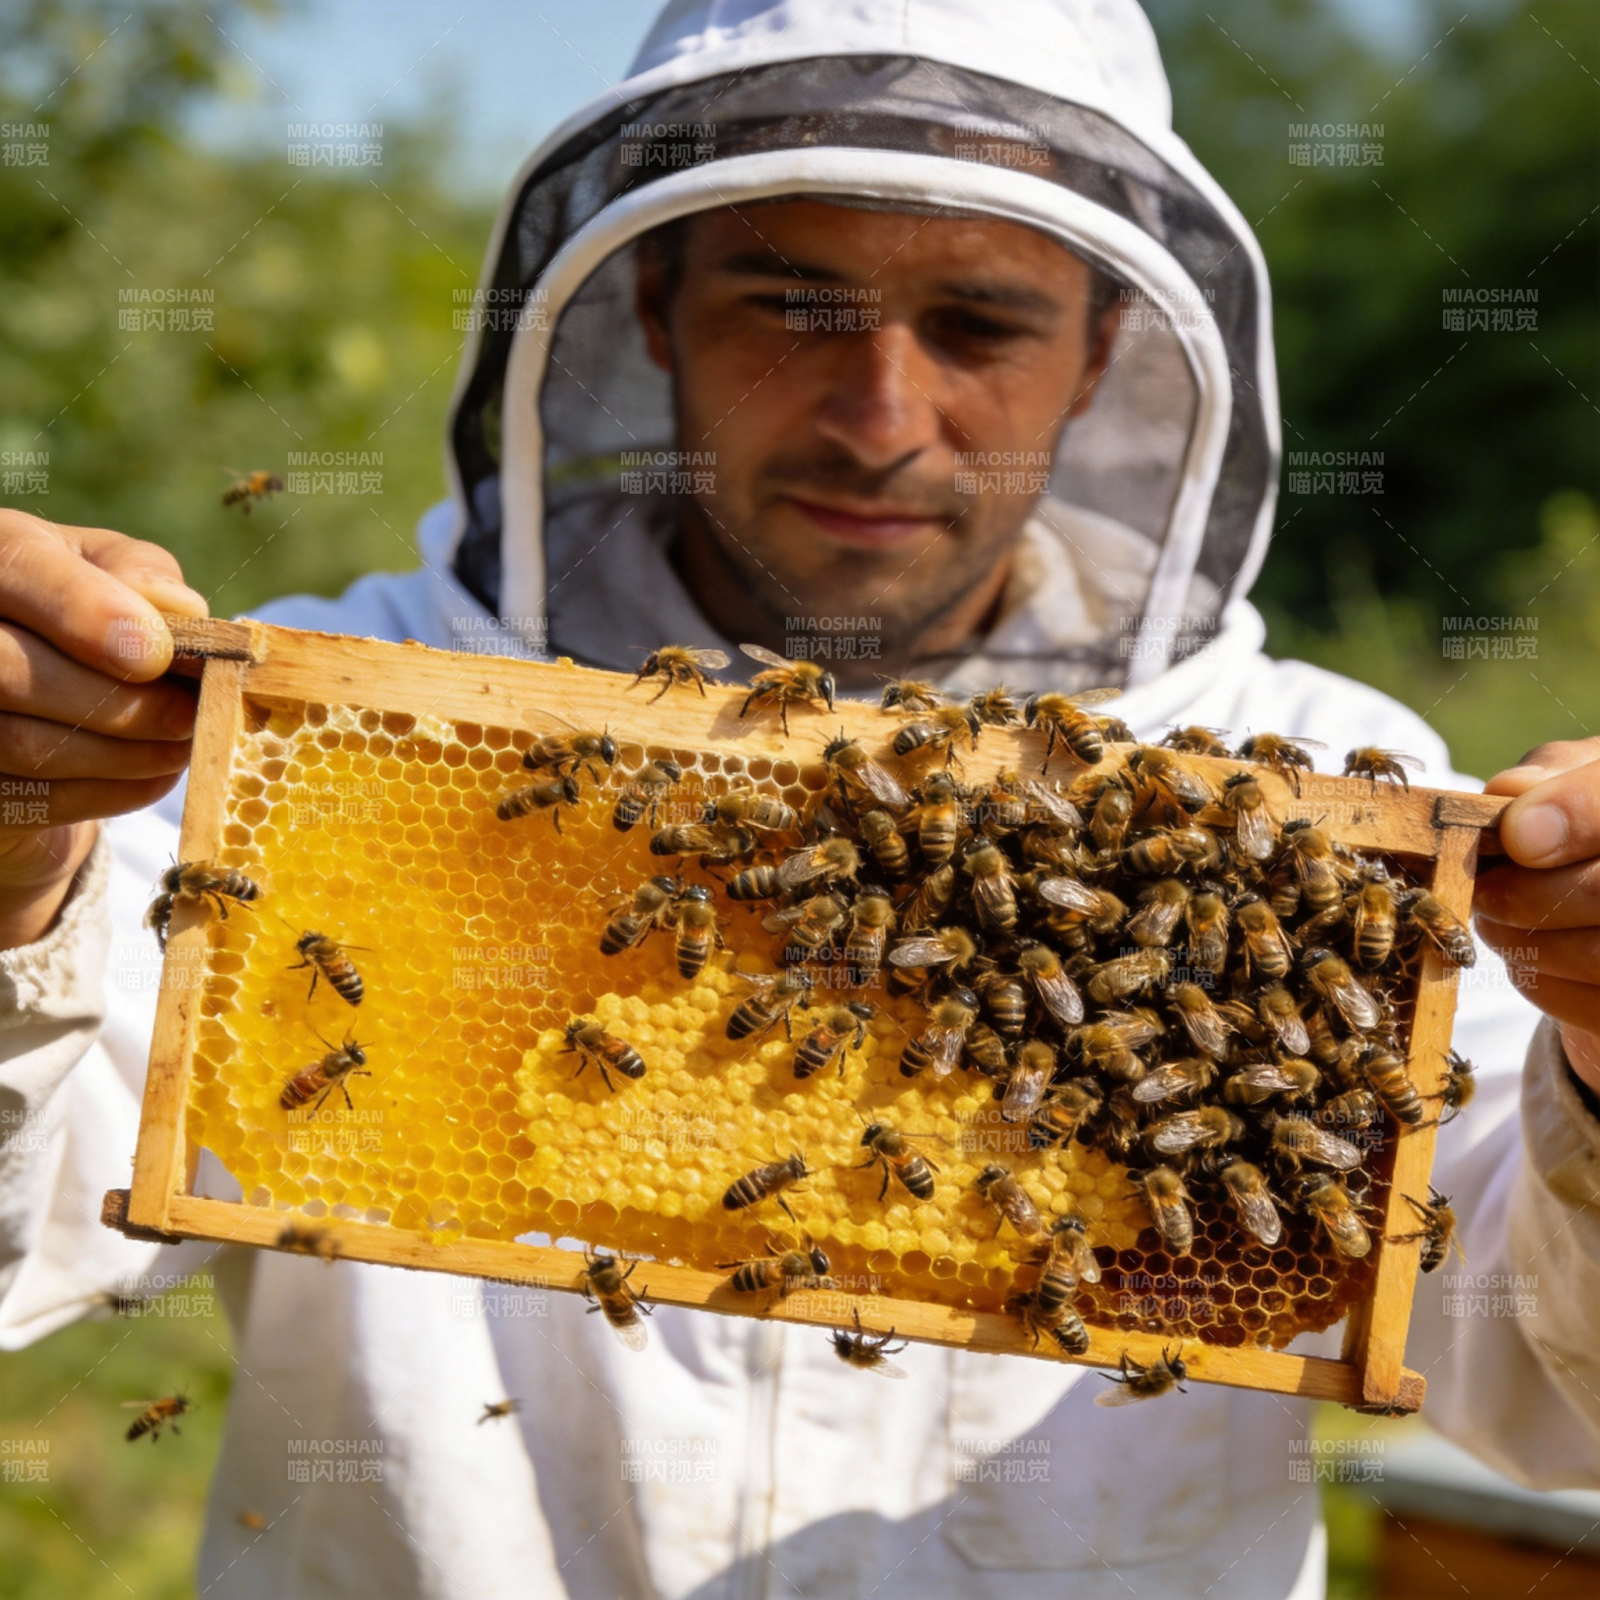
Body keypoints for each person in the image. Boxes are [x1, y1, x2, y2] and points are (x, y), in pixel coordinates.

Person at [2, 2, 1598, 1595]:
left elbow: (1548, 1378)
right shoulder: (340, 732)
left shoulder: (1300, 791)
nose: (883, 418)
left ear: (1107, 346)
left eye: (979, 323)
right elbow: (31, 1240)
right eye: (793, 304)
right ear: (649, 299)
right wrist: (19, 879)